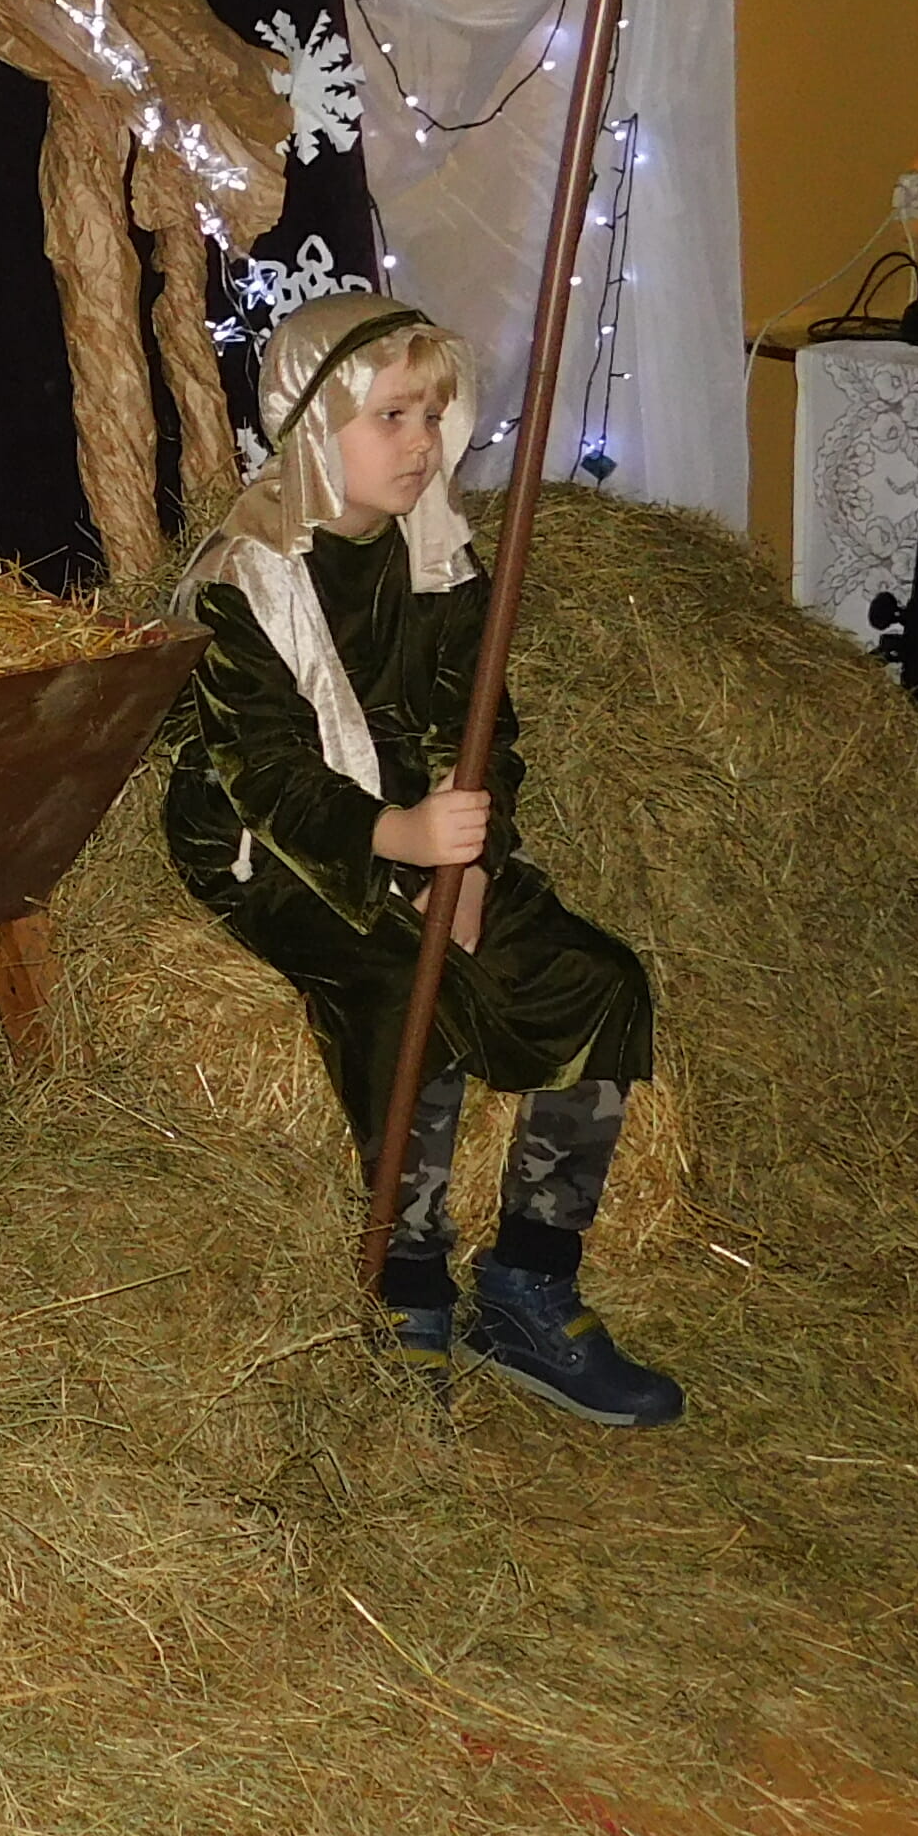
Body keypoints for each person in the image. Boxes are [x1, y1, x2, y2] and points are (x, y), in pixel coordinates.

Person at [165, 294, 681, 1426]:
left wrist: (474, 856)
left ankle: (531, 1282)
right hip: (280, 844)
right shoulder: (245, 578)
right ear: (314, 422)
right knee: (408, 992)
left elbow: (481, 724)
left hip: (431, 830)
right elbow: (262, 771)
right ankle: (408, 1287)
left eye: (435, 415)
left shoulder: (439, 553)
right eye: (391, 415)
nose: (421, 442)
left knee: (598, 982)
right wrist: (393, 841)